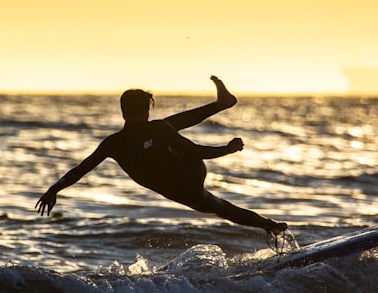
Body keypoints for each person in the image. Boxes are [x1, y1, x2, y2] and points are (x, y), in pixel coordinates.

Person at [36, 76, 288, 241]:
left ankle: (269, 225)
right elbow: (196, 151)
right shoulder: (152, 130)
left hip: (180, 187)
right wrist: (228, 149)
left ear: (123, 112)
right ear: (144, 110)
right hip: (189, 176)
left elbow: (80, 170)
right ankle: (270, 225)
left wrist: (54, 189)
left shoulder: (113, 143)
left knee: (221, 208)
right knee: (221, 206)